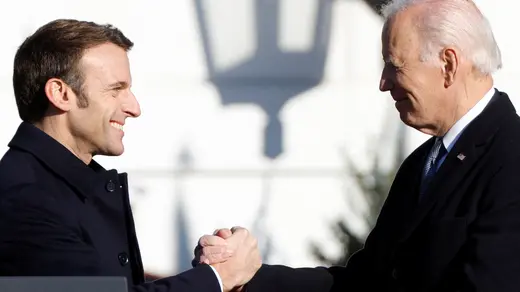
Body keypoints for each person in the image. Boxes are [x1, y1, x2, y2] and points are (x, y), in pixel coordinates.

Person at [195, 0, 520, 291]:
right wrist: (247, 277)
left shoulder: (510, 157)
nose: (384, 83)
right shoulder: (424, 163)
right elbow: (364, 282)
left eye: (395, 65)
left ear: (448, 65)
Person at [0, 19, 261, 292]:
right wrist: (217, 279)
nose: (134, 108)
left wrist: (215, 271)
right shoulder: (23, 197)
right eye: (116, 89)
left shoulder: (68, 188)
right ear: (61, 94)